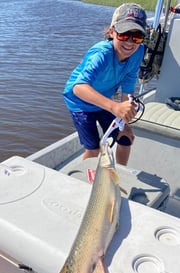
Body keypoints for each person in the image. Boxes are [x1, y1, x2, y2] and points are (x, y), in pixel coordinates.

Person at [63, 3, 147, 165]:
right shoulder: (102, 54)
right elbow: (79, 87)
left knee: (125, 138)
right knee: (93, 149)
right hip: (79, 102)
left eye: (136, 36)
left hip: (103, 100)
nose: (130, 42)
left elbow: (128, 85)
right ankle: (86, 179)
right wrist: (115, 108)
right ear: (112, 32)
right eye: (123, 35)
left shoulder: (138, 52)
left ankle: (119, 176)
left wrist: (125, 121)